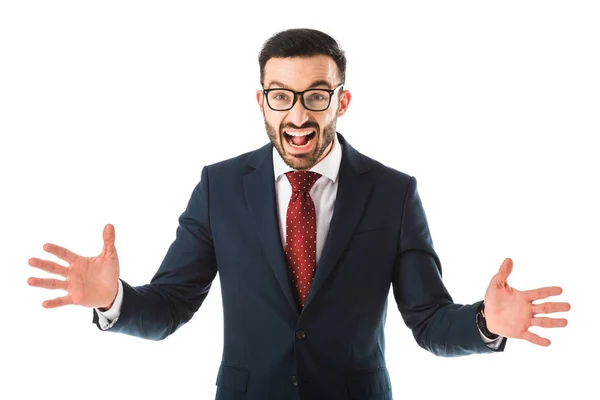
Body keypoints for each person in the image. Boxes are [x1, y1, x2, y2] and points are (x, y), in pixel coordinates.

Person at [26, 28, 570, 400]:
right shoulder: (219, 187)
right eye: (281, 96)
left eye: (316, 95)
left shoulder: (393, 193)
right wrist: (112, 300)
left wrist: (485, 324)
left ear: (342, 101)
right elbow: (170, 305)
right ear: (261, 103)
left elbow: (427, 320)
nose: (298, 113)